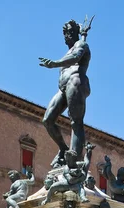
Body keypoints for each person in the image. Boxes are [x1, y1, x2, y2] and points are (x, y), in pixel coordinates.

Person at [39, 18, 93, 167]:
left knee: (76, 122)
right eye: (65, 33)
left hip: (76, 82)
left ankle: (74, 159)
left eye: (69, 32)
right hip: (62, 88)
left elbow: (75, 57)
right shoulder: (71, 49)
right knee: (48, 120)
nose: (66, 36)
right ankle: (63, 148)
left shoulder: (81, 45)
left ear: (75, 33)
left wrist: (55, 63)